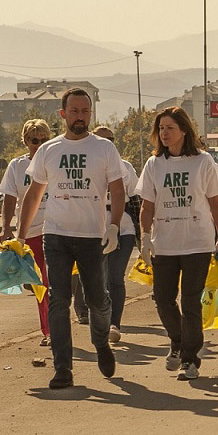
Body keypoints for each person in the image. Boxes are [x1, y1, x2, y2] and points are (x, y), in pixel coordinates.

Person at [15, 88, 125, 390]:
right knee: (58, 300)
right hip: (56, 236)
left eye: (85, 112)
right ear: (63, 114)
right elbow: (33, 194)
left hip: (92, 236)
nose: (80, 117)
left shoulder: (104, 148)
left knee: (97, 300)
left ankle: (101, 342)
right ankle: (62, 367)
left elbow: (117, 190)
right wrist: (21, 236)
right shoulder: (49, 150)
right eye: (74, 111)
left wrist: (114, 226)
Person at [136, 107, 218, 380]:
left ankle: (190, 359)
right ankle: (177, 340)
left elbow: (215, 203)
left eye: (170, 128)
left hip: (197, 243)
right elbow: (147, 205)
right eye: (161, 128)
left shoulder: (203, 161)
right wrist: (144, 236)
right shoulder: (154, 164)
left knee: (190, 302)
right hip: (164, 243)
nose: (164, 133)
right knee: (163, 299)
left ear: (184, 131)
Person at [0, 119, 53, 346]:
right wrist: (6, 227)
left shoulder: (56, 161)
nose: (39, 145)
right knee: (41, 283)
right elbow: (10, 199)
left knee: (56, 282)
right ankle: (49, 331)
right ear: (26, 141)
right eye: (34, 140)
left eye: (44, 140)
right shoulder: (17, 166)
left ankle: (59, 325)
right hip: (30, 232)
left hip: (56, 229)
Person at [92, 125, 139, 343]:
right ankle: (100, 321)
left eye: (110, 139)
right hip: (95, 228)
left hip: (123, 228)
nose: (106, 143)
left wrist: (143, 234)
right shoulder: (88, 165)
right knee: (97, 279)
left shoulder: (125, 167)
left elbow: (137, 199)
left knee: (115, 277)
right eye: (100, 139)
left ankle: (114, 324)